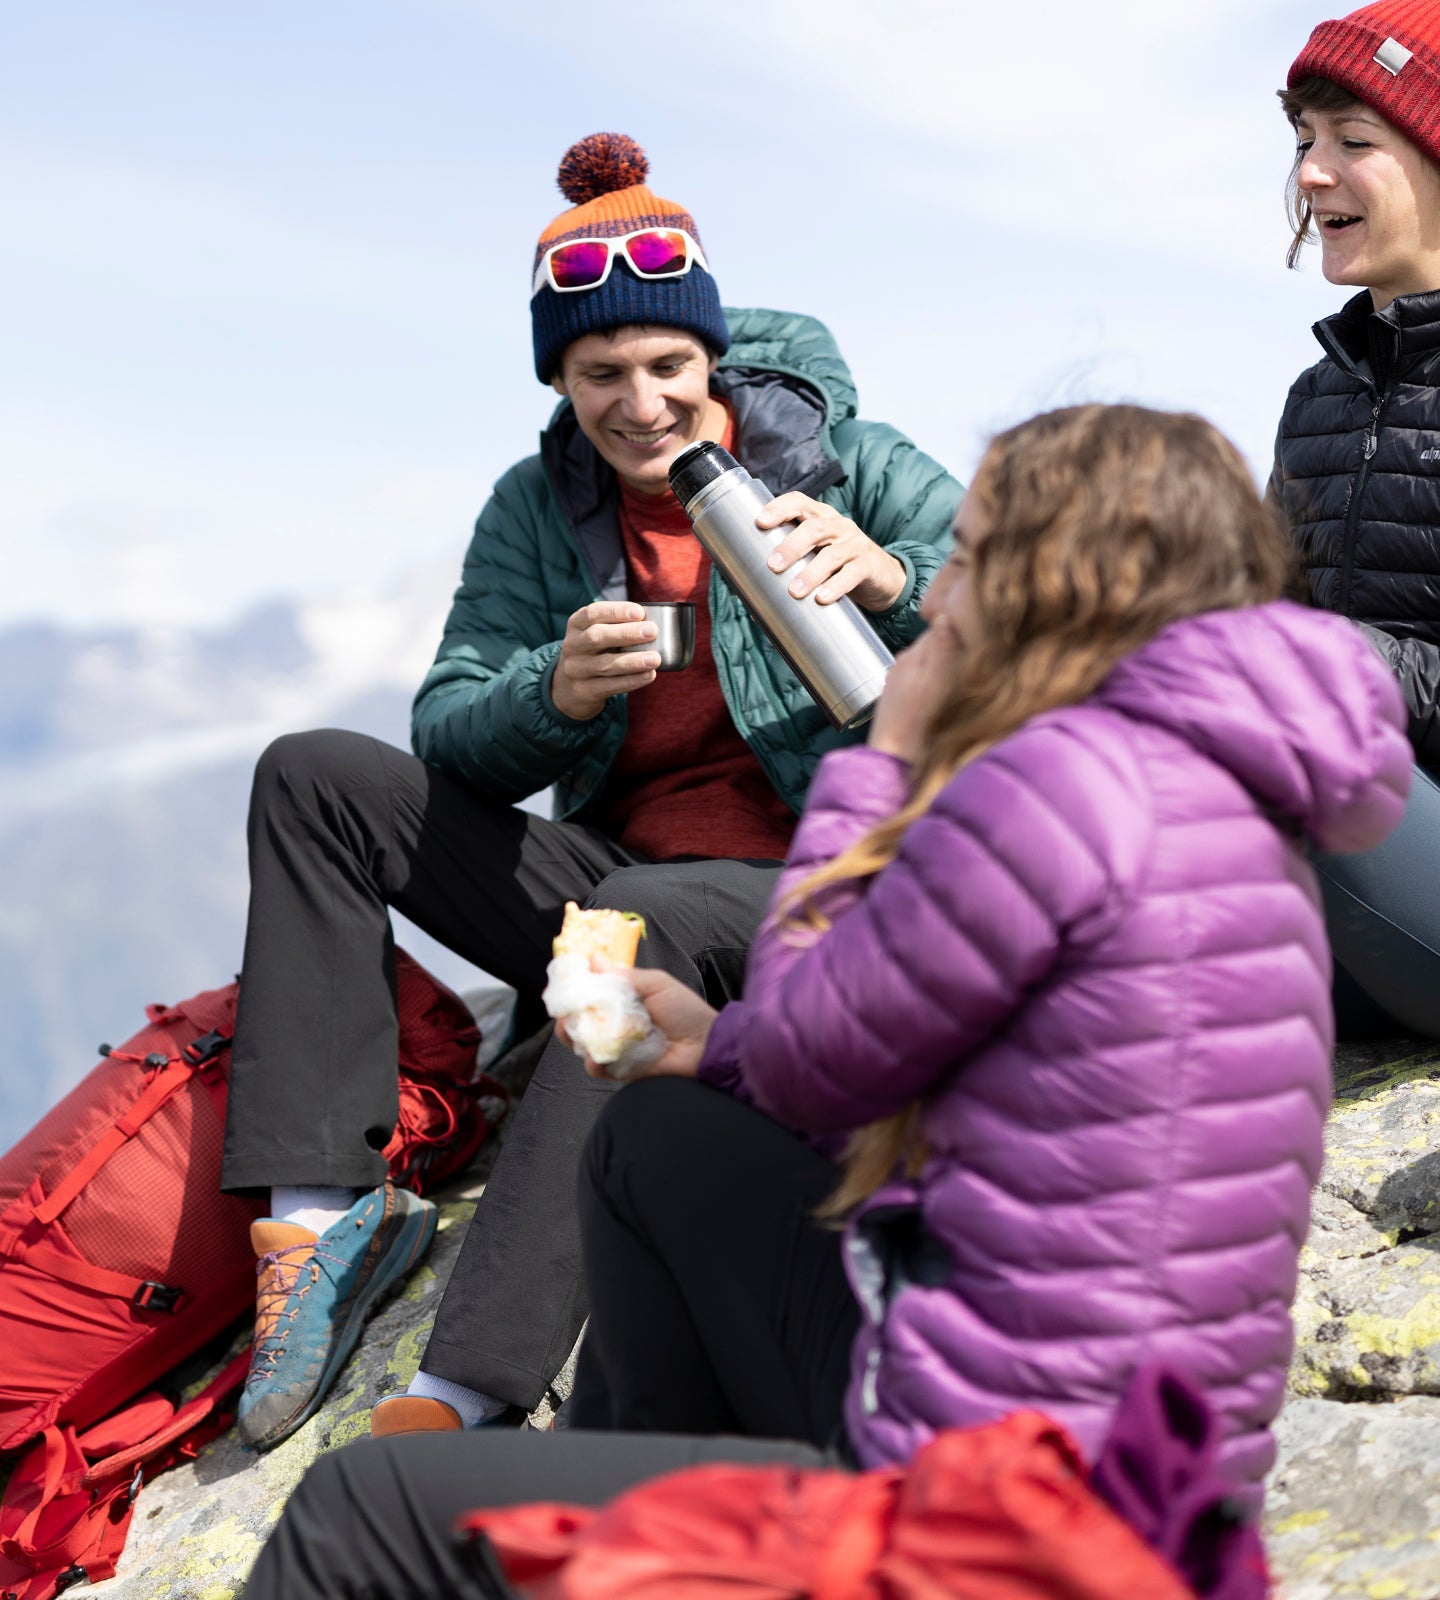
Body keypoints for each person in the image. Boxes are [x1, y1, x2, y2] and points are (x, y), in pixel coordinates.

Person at [240, 403, 1410, 1600]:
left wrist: (882, 759)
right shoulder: (1205, 790)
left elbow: (817, 1056)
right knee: (659, 1138)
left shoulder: (1058, 796)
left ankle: (623, 1526)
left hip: (988, 1515)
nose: (938, 592)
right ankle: (636, 1530)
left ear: (1052, 586)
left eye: (972, 555)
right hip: (1132, 1483)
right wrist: (715, 1041)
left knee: (358, 1507)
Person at [220, 131, 961, 1451]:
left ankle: (464, 1388)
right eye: (599, 373)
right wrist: (547, 699)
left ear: (711, 358)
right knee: (314, 779)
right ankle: (323, 1225)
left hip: (826, 887)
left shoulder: (855, 462)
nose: (641, 403)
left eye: (669, 365)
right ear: (559, 378)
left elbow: (1040, 620)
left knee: (639, 914)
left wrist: (896, 581)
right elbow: (448, 716)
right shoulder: (540, 504)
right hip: (617, 883)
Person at [1272, 0, 1440, 1037]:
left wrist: (1327, 658)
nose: (1310, 173)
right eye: (1302, 140)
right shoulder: (1315, 397)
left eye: (1352, 140)